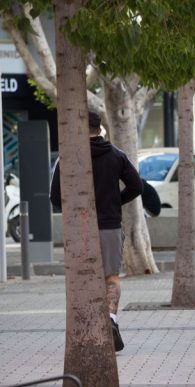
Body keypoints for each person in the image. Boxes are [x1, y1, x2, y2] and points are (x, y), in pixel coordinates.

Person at [50, 111, 143, 352]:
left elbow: (54, 196)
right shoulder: (116, 155)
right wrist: (114, 202)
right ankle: (111, 319)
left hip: (79, 226)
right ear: (100, 129)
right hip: (109, 224)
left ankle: (86, 330)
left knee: (81, 279)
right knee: (110, 277)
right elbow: (137, 186)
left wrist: (74, 211)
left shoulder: (68, 157)